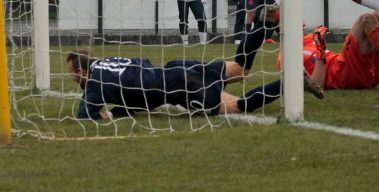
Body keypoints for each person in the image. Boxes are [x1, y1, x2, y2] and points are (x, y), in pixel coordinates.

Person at [67, 10, 324, 121]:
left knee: (236, 106)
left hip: (183, 86)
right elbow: (141, 70)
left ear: (81, 70)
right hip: (175, 68)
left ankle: (291, 81)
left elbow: (84, 116)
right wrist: (124, 108)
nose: (71, 77)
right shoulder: (112, 61)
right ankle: (260, 26)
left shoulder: (95, 82)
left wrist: (108, 113)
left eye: (71, 73)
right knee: (239, 68)